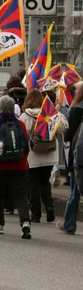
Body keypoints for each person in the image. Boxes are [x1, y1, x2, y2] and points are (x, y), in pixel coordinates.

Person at [19, 89, 68, 223]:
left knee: (33, 185)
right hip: (50, 154)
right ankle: (49, 206)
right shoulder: (49, 114)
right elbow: (64, 127)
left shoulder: (25, 116)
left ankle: (36, 214)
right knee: (45, 183)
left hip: (33, 155)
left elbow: (21, 133)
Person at [0, 96, 32, 238]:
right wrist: (21, 159)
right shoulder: (20, 125)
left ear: (0, 108)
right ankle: (25, 222)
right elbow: (26, 146)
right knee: (21, 194)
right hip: (19, 165)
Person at [57, 82, 83, 234]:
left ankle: (69, 223)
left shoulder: (76, 109)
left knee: (75, 190)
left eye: (76, 90)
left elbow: (68, 135)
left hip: (79, 154)